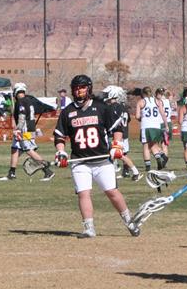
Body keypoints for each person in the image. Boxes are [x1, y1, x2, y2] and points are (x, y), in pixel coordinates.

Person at [53, 74, 140, 238]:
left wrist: (116, 145)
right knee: (83, 193)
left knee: (112, 192)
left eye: (82, 88)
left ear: (89, 89)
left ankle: (129, 221)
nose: (79, 91)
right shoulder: (68, 111)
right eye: (76, 88)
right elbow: (59, 136)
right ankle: (89, 228)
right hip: (80, 161)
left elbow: (117, 129)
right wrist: (61, 151)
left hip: (102, 160)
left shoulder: (101, 107)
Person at [0, 82, 55, 181]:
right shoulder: (29, 100)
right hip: (29, 128)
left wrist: (18, 129)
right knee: (15, 149)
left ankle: (47, 171)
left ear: (16, 91)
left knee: (28, 150)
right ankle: (11, 173)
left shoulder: (21, 101)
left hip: (24, 130)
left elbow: (22, 116)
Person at [101, 85, 140, 181]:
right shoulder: (122, 107)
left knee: (117, 154)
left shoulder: (111, 108)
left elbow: (110, 123)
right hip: (122, 133)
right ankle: (130, 171)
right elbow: (127, 120)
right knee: (118, 154)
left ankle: (134, 172)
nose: (105, 96)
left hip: (116, 134)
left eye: (107, 94)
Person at [135, 86, 169, 171]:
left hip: (146, 126)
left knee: (146, 146)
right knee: (153, 144)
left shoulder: (141, 102)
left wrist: (141, 118)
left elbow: (137, 116)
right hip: (156, 126)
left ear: (143, 93)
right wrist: (166, 125)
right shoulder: (157, 101)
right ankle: (160, 157)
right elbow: (163, 114)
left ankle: (148, 166)